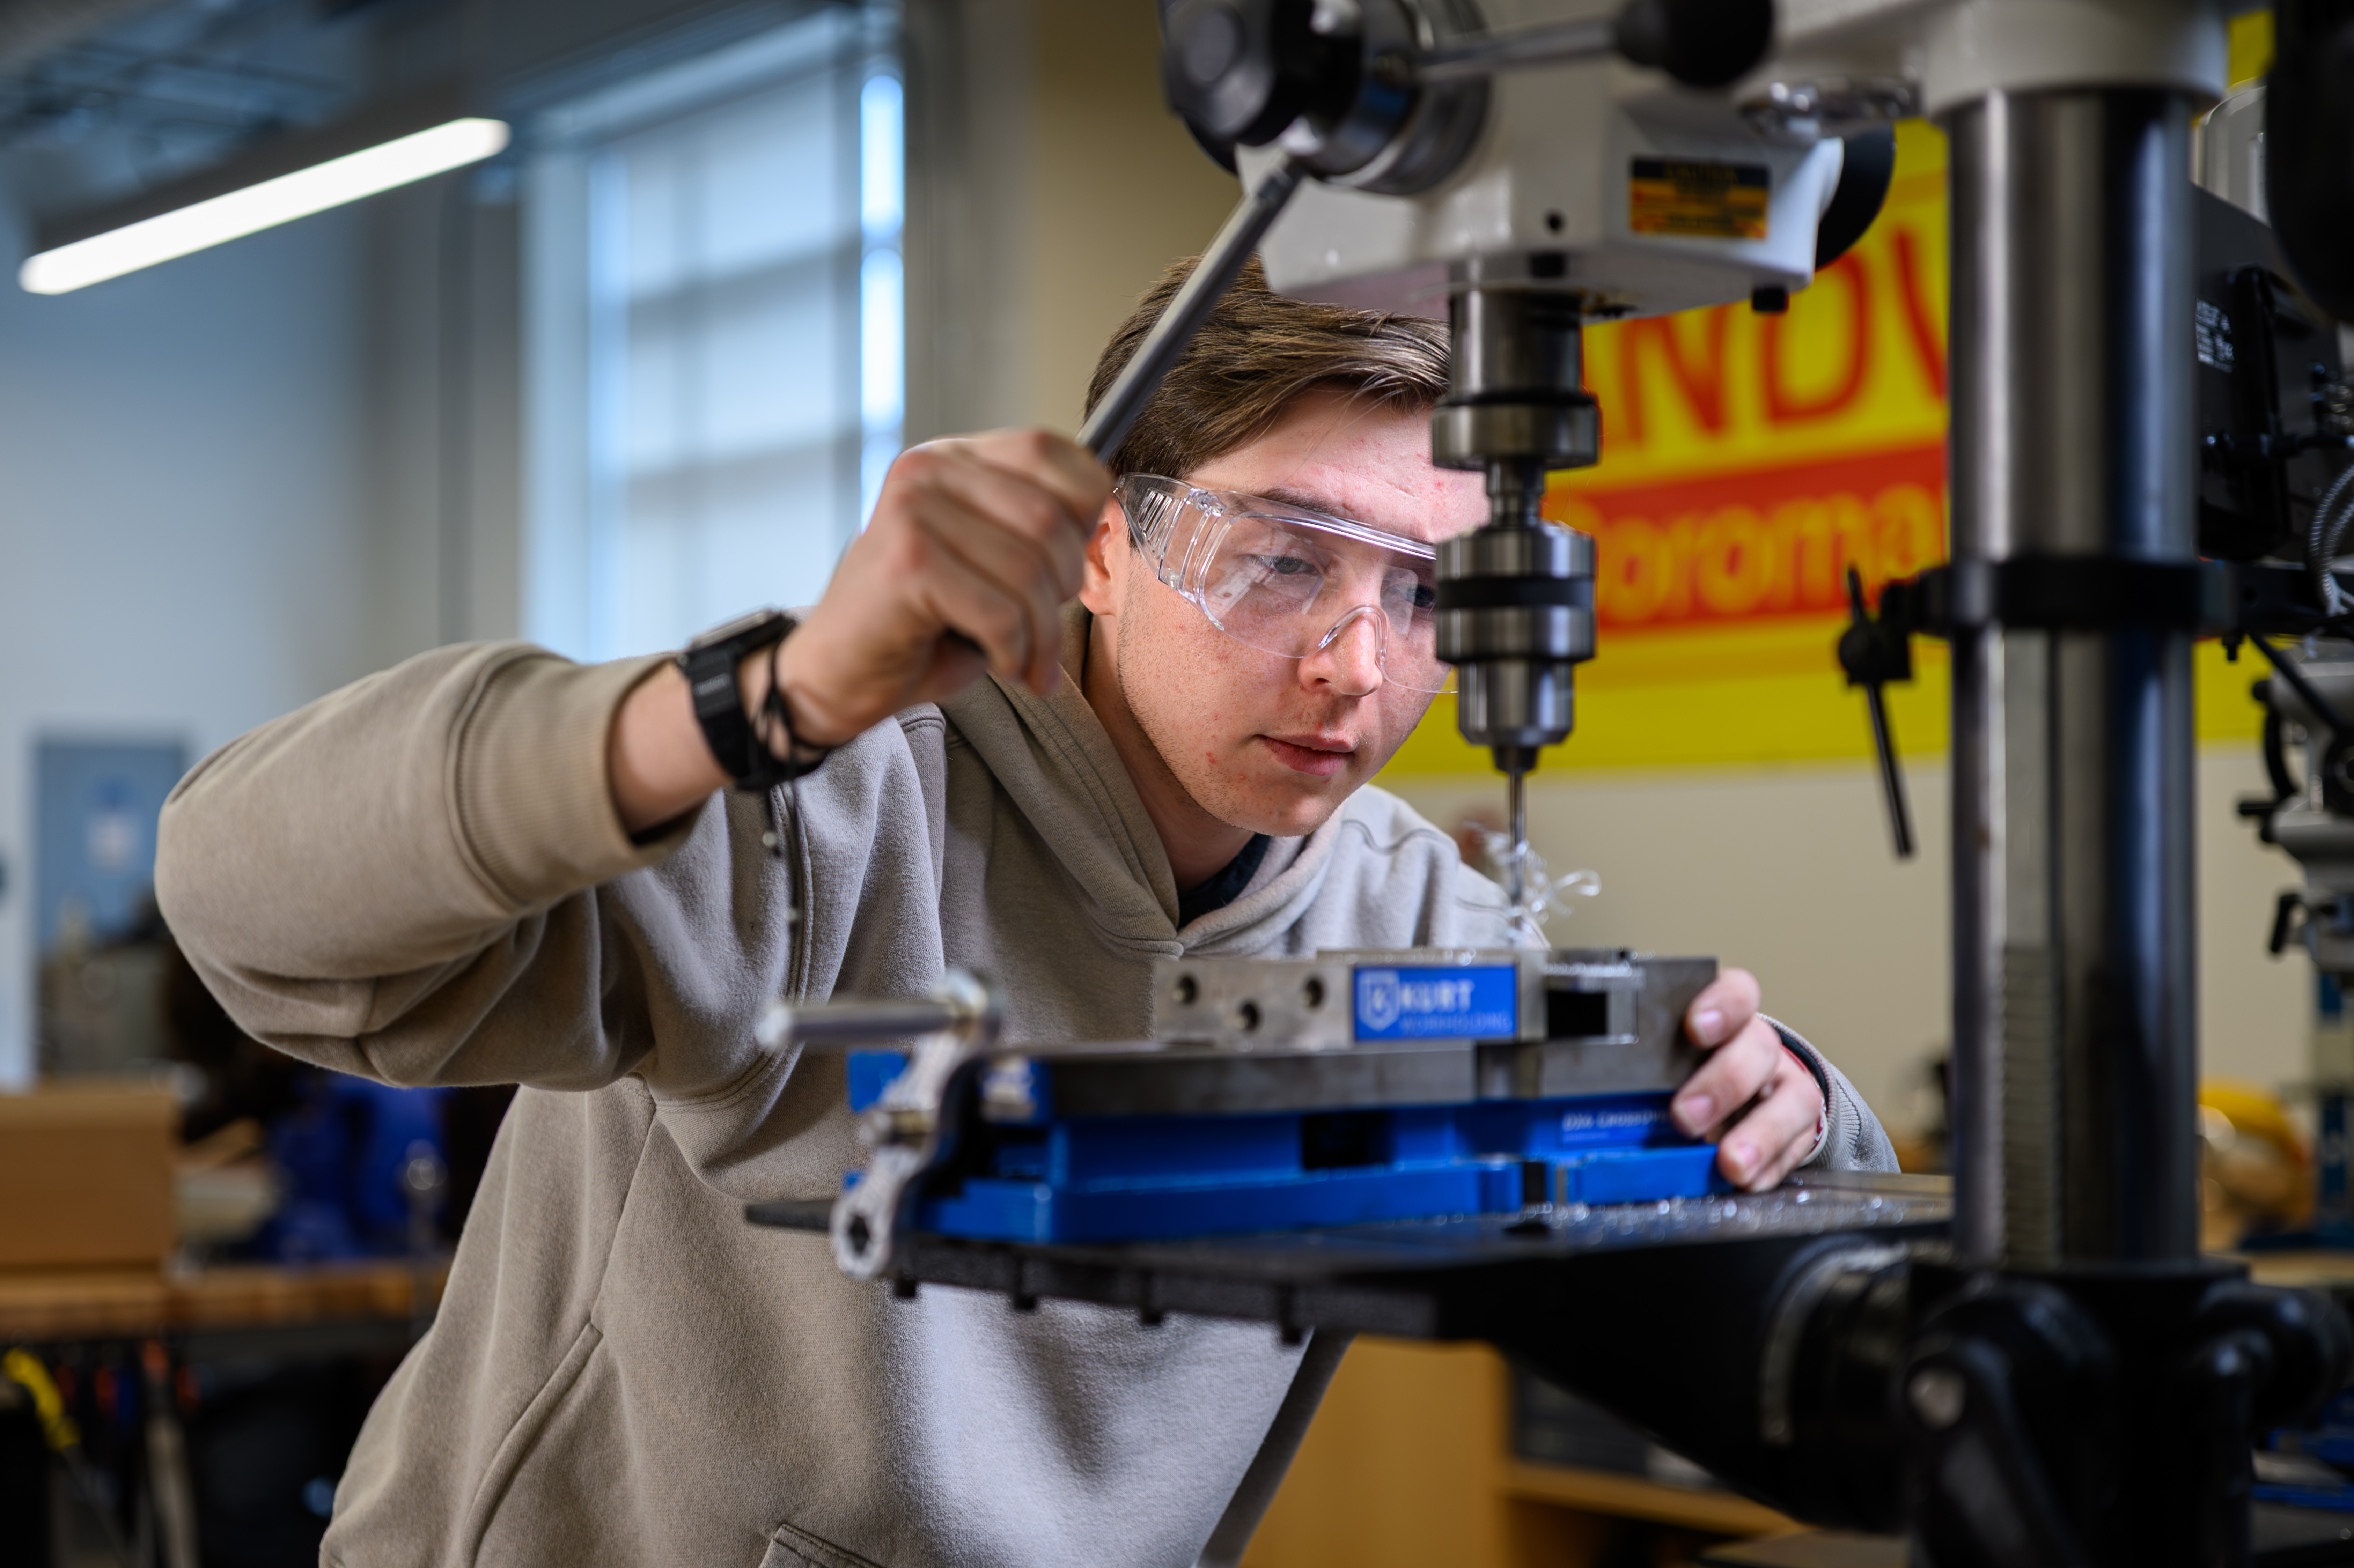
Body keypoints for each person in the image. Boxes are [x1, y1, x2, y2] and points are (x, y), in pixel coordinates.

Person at [156, 258, 1896, 1568]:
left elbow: (1784, 1225)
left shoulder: (1414, 919)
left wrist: (1793, 1100)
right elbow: (242, 899)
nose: (1358, 666)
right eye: (1283, 555)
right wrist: (748, 703)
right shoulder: (831, 814)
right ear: (1099, 544)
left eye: (1427, 590)